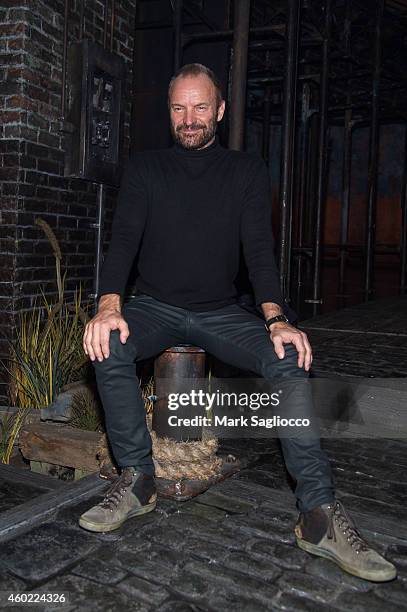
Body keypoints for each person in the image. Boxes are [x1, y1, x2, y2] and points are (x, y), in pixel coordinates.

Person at [79, 63, 396, 583]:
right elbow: (122, 243)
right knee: (107, 345)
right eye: (179, 108)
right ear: (170, 112)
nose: (189, 118)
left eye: (200, 107)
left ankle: (318, 514)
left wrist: (276, 318)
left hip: (222, 311)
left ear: (220, 110)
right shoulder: (145, 168)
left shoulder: (245, 171)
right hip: (154, 307)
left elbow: (259, 252)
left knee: (288, 359)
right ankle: (137, 479)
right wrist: (109, 305)